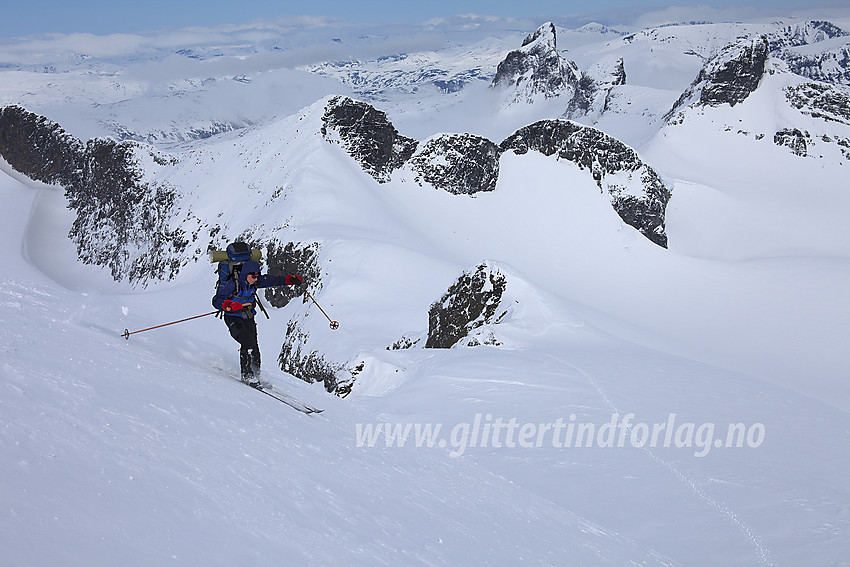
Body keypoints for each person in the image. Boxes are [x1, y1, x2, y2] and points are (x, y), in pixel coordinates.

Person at [212, 259, 303, 386]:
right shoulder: (233, 284)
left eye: (257, 275)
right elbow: (217, 300)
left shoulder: (255, 282)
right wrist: (228, 306)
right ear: (245, 274)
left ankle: (256, 372)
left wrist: (290, 280)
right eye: (253, 276)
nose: (256, 278)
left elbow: (274, 280)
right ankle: (247, 374)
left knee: (254, 345)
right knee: (246, 341)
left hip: (248, 316)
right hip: (233, 317)